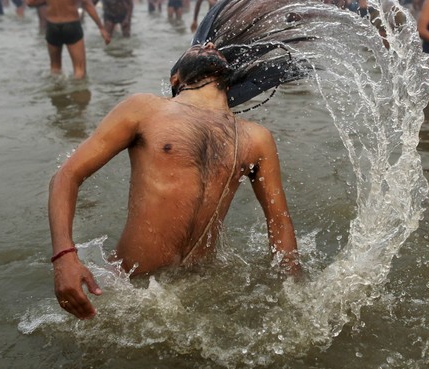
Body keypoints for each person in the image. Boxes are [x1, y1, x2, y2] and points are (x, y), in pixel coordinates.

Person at [48, 42, 302, 319]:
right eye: (196, 47)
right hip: (128, 291)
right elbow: (66, 176)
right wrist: (64, 258)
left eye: (211, 46)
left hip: (199, 293)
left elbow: (279, 221)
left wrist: (293, 293)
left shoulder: (256, 138)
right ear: (176, 79)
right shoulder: (145, 109)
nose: (208, 44)